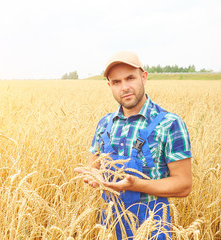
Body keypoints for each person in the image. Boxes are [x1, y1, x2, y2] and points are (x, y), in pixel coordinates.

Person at [74, 51, 192, 239]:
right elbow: (93, 165)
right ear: (109, 85)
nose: (125, 87)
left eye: (130, 78)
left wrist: (137, 185)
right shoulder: (104, 124)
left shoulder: (170, 123)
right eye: (116, 82)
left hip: (151, 229)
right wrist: (93, 175)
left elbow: (184, 185)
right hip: (108, 227)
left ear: (143, 77)